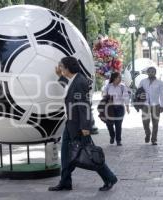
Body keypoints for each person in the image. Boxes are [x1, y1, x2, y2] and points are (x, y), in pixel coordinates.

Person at [48, 56, 117, 192]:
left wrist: (85, 128)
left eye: (61, 66)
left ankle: (109, 178)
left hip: (79, 126)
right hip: (71, 124)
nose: (60, 68)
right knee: (66, 154)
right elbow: (69, 90)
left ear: (67, 68)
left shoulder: (79, 82)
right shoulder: (75, 80)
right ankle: (65, 182)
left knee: (90, 153)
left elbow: (84, 106)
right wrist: (61, 78)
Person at [138, 67, 163, 145]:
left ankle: (154, 139)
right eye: (149, 72)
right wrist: (139, 103)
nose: (151, 73)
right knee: (145, 122)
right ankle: (148, 133)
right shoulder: (143, 82)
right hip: (145, 105)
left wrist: (162, 105)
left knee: (155, 123)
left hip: (156, 105)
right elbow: (138, 93)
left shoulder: (159, 83)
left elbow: (162, 95)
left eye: (153, 71)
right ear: (147, 73)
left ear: (155, 72)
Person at [102, 72, 130, 146]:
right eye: (118, 77)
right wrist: (107, 98)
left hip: (120, 108)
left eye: (120, 77)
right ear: (114, 78)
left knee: (118, 125)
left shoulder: (122, 87)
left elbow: (126, 97)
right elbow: (104, 95)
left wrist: (127, 106)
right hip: (110, 108)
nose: (120, 79)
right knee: (109, 124)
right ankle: (112, 136)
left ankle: (118, 140)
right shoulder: (108, 86)